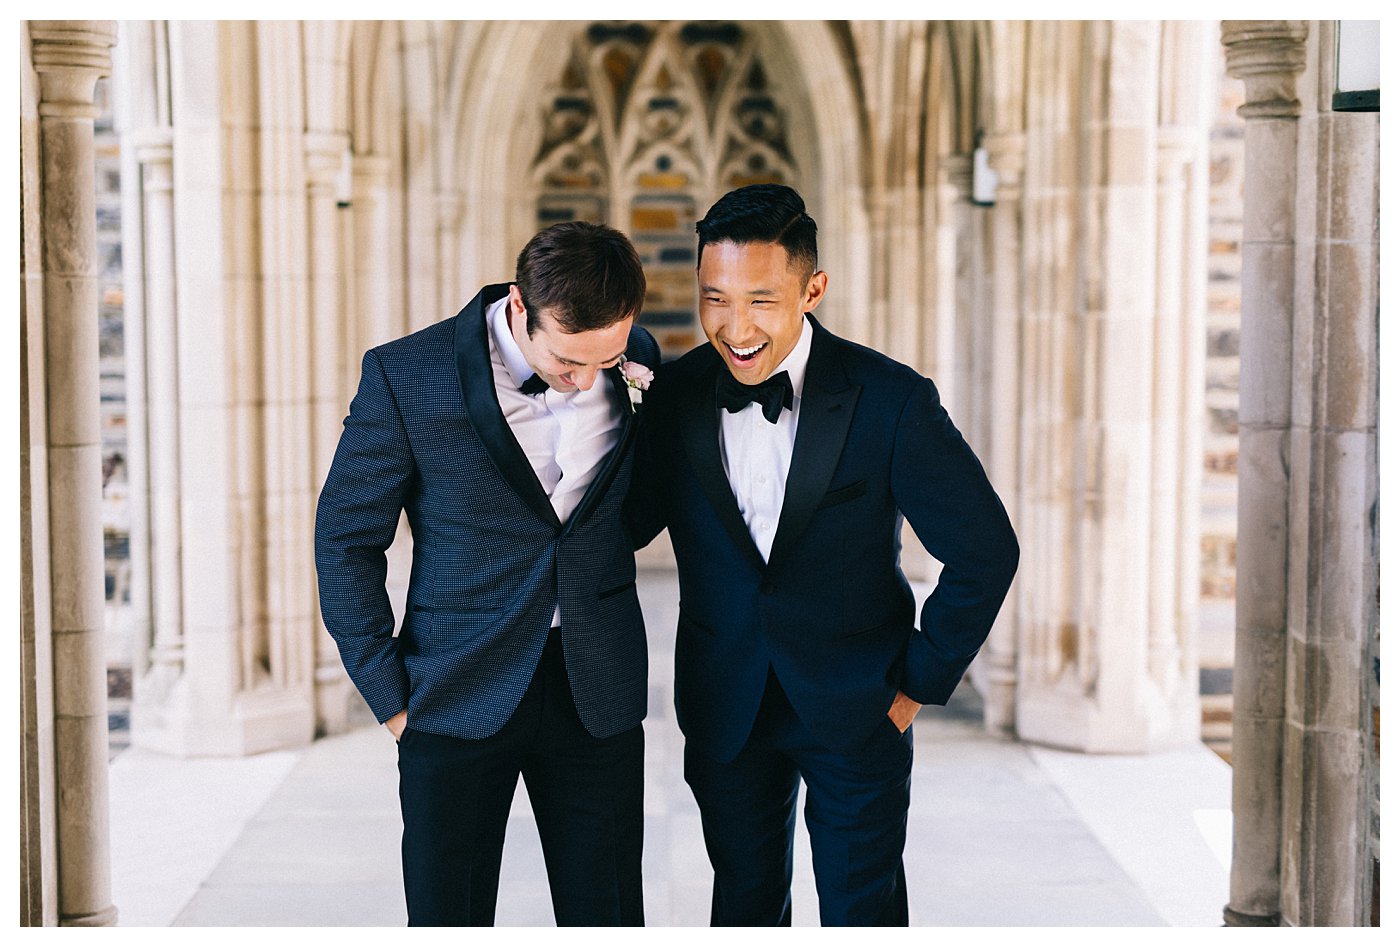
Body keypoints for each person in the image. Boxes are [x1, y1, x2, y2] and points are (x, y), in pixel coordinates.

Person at [628, 184, 1019, 926]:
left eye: (760, 301)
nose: (734, 327)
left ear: (813, 289)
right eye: (715, 298)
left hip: (859, 704)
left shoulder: (891, 399)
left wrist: (918, 684)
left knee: (861, 910)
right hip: (725, 703)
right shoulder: (674, 397)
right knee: (742, 905)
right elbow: (622, 526)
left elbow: (985, 549)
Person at [315, 221, 658, 927]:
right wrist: (388, 692)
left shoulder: (639, 361)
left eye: (608, 358)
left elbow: (632, 504)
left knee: (612, 916)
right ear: (518, 306)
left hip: (597, 686)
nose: (587, 378)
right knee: (450, 918)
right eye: (568, 361)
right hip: (453, 689)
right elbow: (345, 539)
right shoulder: (406, 375)